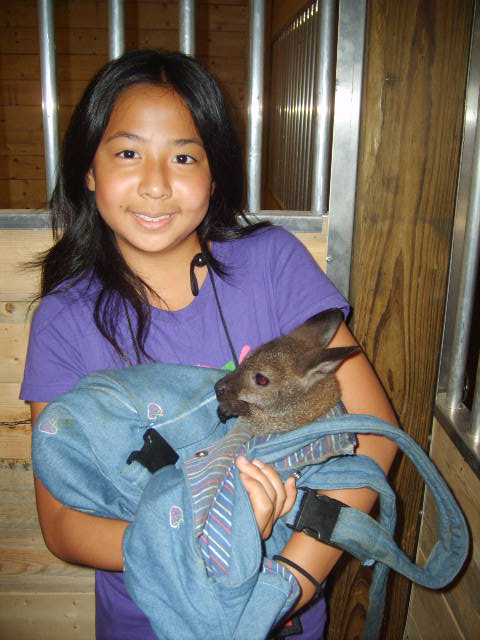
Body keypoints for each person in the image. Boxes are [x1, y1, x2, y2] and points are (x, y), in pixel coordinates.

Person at [21, 49, 398, 639]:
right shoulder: (64, 320)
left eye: (183, 156)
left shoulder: (271, 264)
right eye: (127, 152)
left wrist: (289, 582)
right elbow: (64, 522)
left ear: (213, 173)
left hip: (285, 611)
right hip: (147, 620)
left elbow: (375, 434)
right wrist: (203, 533)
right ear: (87, 171)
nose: (155, 182)